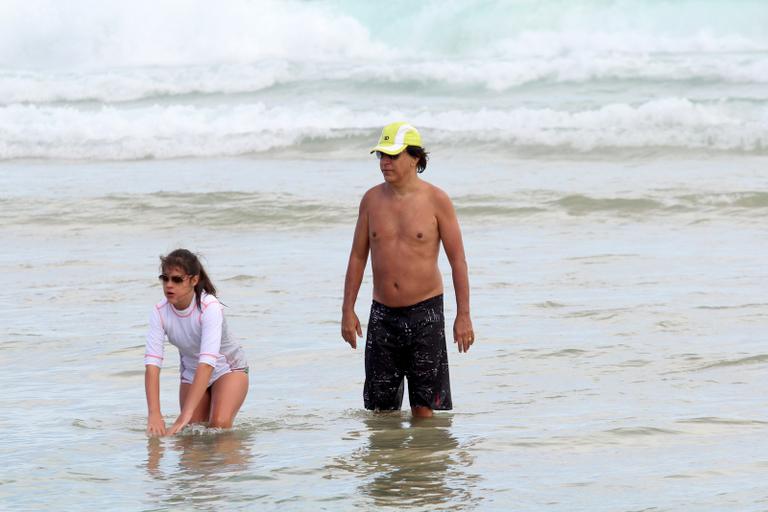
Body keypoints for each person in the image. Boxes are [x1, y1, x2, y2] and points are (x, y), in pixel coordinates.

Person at [341, 122, 474, 418]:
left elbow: (458, 261)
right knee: (380, 410)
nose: (385, 162)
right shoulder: (371, 200)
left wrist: (463, 315)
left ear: (415, 158)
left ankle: (421, 464)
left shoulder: (437, 200)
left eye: (392, 155)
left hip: (425, 314)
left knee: (424, 410)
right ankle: (389, 461)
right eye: (381, 156)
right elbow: (357, 257)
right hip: (382, 315)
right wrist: (347, 310)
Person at [144, 249, 248, 436]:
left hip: (228, 370)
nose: (169, 285)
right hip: (191, 374)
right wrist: (154, 414)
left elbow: (207, 363)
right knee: (190, 436)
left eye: (177, 279)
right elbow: (152, 364)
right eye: (165, 278)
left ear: (193, 280)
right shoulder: (159, 312)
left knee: (219, 427)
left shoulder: (210, 307)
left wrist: (184, 416)